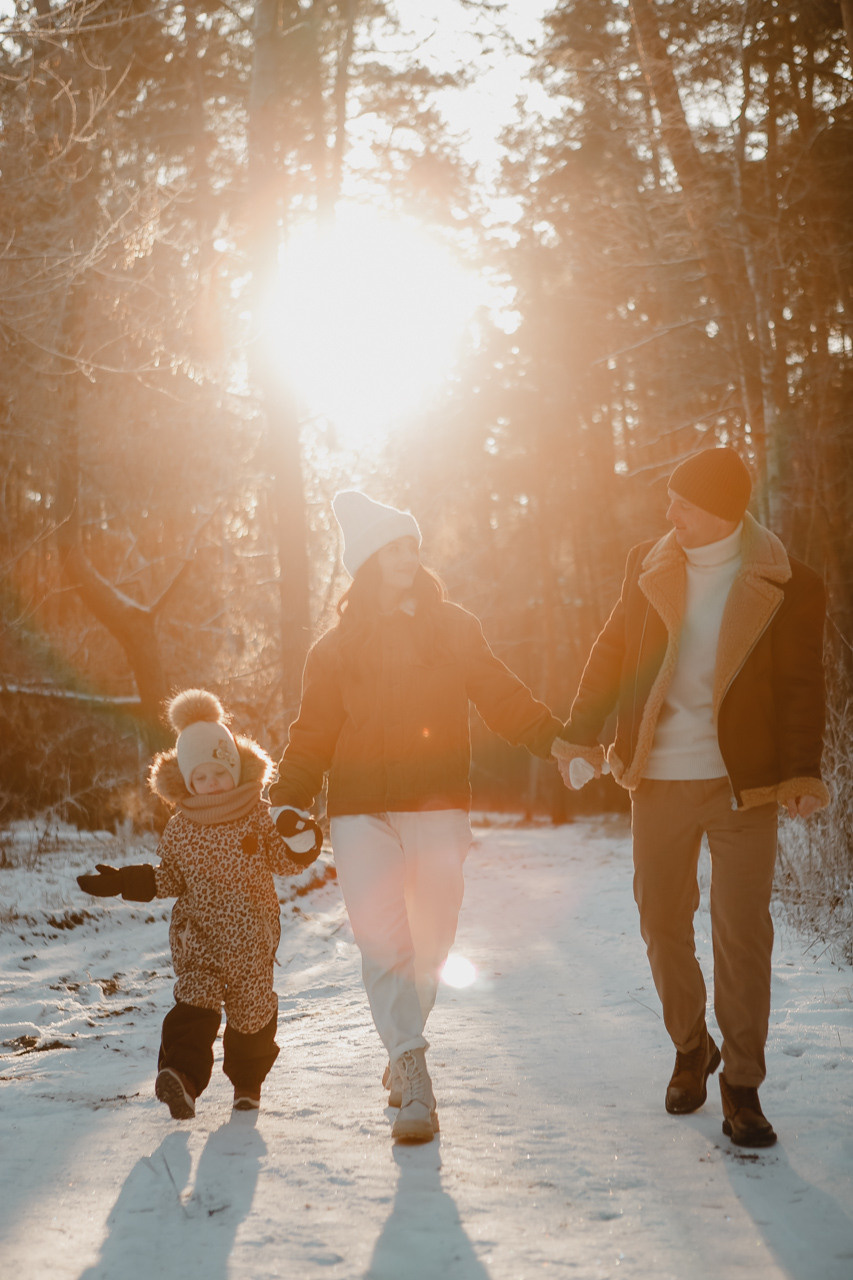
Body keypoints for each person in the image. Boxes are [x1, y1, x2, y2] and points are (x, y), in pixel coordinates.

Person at [268, 490, 564, 1144]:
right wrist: (286, 795)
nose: (408, 556)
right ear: (368, 557)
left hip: (436, 801)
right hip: (358, 808)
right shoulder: (335, 648)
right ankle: (411, 1068)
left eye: (413, 545)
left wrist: (554, 738)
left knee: (431, 939)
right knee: (382, 938)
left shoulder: (453, 627)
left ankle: (402, 1041)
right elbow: (311, 733)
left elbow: (499, 694)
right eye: (395, 545)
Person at [553, 446, 828, 1148]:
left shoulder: (789, 582)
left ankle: (742, 1083)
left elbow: (801, 685)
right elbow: (612, 652)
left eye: (682, 502)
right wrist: (581, 736)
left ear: (720, 512)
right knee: (660, 919)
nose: (667, 512)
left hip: (747, 785)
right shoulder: (648, 563)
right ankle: (688, 1046)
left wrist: (801, 771)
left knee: (742, 933)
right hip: (659, 776)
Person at [77, 689, 322, 1119]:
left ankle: (247, 1084)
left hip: (251, 936)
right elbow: (168, 876)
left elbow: (285, 861)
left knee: (251, 1015)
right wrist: (124, 881)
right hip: (198, 937)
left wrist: (302, 841)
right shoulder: (181, 828)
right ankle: (182, 1079)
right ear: (187, 782)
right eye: (200, 778)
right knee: (194, 1003)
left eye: (219, 772)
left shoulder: (257, 815)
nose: (211, 784)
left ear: (234, 767)